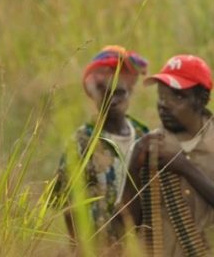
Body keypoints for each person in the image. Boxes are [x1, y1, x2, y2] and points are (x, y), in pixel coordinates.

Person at [119, 54, 214, 255]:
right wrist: (134, 167)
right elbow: (125, 225)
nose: (164, 104)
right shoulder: (147, 146)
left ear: (202, 100)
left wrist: (185, 168)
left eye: (177, 97)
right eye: (161, 95)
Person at [51, 46, 149, 252]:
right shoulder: (81, 141)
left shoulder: (144, 136)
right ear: (93, 95)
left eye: (119, 93)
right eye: (105, 92)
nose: (112, 100)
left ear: (130, 92)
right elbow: (68, 207)